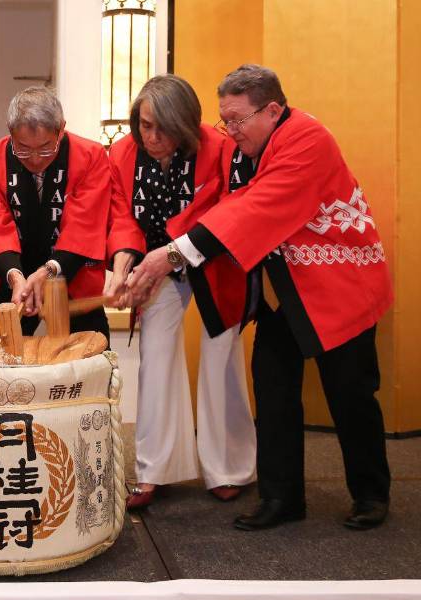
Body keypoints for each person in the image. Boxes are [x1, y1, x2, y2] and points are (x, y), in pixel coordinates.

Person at [127, 64, 392, 530]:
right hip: (283, 289)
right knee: (274, 393)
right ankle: (282, 499)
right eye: (224, 120)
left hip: (339, 287)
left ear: (272, 110)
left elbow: (255, 208)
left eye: (237, 120)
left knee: (350, 394)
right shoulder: (248, 146)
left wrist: (169, 255)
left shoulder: (308, 141)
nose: (229, 131)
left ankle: (371, 494)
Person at [105, 75, 256, 510]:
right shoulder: (122, 153)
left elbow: (233, 212)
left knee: (218, 359)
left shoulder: (222, 149)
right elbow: (122, 217)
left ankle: (228, 468)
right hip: (156, 267)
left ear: (188, 124)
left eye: (164, 128)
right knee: (156, 355)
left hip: (215, 263)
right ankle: (156, 469)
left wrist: (175, 252)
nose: (152, 137)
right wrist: (122, 267)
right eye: (145, 125)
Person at [0, 86, 110, 339]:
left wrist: (49, 271)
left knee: (92, 362)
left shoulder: (90, 156)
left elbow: (85, 225)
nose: (34, 159)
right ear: (10, 133)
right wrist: (16, 277)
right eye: (23, 148)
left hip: (73, 273)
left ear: (61, 129)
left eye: (45, 148)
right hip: (13, 280)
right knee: (2, 366)